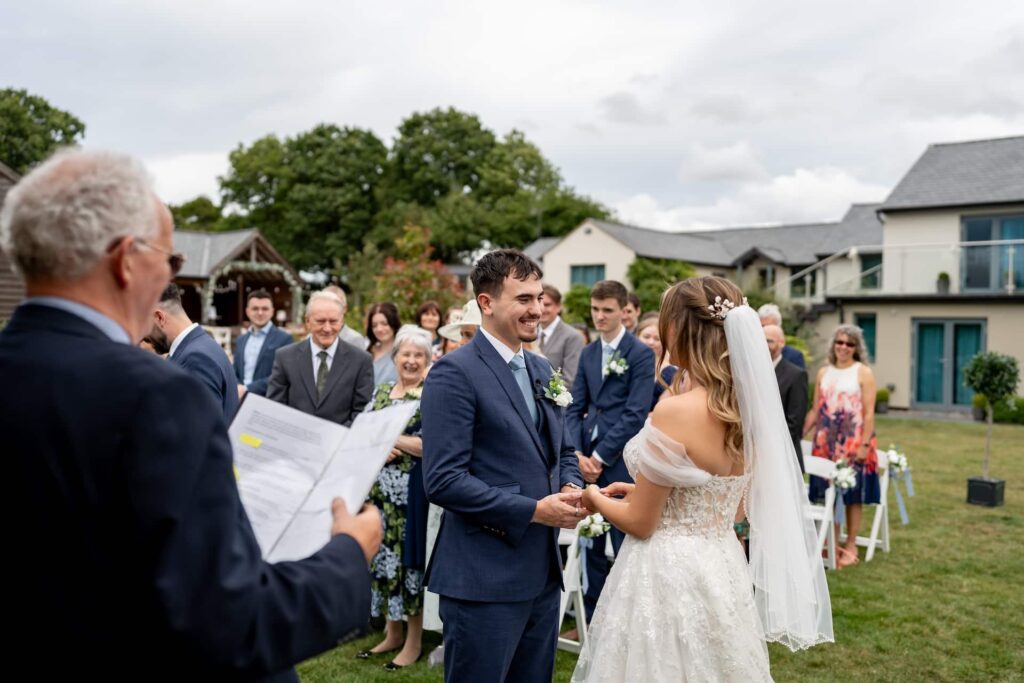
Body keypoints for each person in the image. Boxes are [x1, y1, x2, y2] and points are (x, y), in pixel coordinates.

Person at [0, 148, 382, 682]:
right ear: (126, 260)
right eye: (170, 259)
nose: (168, 276)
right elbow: (227, 623)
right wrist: (346, 556)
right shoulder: (156, 398)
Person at [573, 277, 833, 682]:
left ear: (680, 328)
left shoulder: (675, 411)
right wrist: (645, 491)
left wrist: (593, 496)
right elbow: (734, 508)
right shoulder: (751, 412)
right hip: (722, 565)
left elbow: (642, 524)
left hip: (665, 573)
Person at [421, 249, 585, 683]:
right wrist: (534, 510)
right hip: (483, 579)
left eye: (539, 298)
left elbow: (564, 451)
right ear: (486, 303)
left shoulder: (541, 367)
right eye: (524, 299)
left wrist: (570, 485)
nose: (537, 310)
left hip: (542, 577)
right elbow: (443, 480)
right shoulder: (454, 373)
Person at [565, 279, 654, 623]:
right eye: (595, 310)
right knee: (588, 540)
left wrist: (600, 458)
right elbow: (575, 408)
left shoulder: (641, 353)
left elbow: (635, 412)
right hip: (585, 456)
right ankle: (590, 620)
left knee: (622, 541)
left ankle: (629, 621)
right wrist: (577, 454)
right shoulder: (588, 353)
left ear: (623, 311)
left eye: (607, 310)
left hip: (619, 462)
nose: (599, 317)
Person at [358, 325, 434, 671]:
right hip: (380, 494)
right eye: (406, 354)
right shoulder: (383, 391)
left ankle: (414, 641)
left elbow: (428, 444)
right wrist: (380, 443)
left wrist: (391, 439)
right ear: (395, 358)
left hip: (411, 495)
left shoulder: (430, 395)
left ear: (428, 360)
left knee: (408, 562)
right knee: (384, 560)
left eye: (419, 355)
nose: (412, 361)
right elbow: (363, 431)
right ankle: (391, 632)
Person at [804, 324, 880, 568]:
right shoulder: (823, 372)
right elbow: (816, 409)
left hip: (854, 442)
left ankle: (851, 544)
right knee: (828, 492)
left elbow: (869, 414)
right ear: (833, 344)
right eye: (839, 342)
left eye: (849, 343)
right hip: (826, 443)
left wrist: (864, 445)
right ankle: (833, 541)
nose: (843, 347)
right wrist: (798, 435)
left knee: (852, 495)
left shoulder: (863, 372)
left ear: (856, 348)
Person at [267, 290, 374, 427]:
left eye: (333, 321)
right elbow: (275, 408)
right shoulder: (285, 357)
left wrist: (333, 438)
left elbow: (362, 412)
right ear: (308, 321)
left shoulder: (361, 360)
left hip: (339, 444)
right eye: (321, 321)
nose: (327, 328)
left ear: (342, 322)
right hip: (295, 442)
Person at [147, 282, 239, 420]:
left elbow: (202, 432)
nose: (144, 335)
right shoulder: (202, 346)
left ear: (160, 318)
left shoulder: (196, 358)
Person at [765, 324, 809, 473]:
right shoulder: (753, 372)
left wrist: (769, 447)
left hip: (785, 457)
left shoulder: (796, 375)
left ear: (782, 343)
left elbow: (795, 423)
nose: (764, 345)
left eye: (769, 341)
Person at [234, 289, 294, 397]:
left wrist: (247, 389)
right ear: (247, 311)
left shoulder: (285, 339)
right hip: (240, 398)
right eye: (255, 308)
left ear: (272, 311)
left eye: (265, 309)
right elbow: (234, 371)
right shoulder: (240, 340)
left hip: (267, 399)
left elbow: (283, 375)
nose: (260, 313)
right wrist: (237, 387)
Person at [538, 283, 585, 388]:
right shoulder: (528, 332)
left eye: (547, 304)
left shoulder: (572, 337)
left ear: (559, 307)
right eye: (539, 303)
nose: (542, 309)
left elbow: (570, 380)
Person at [758, 302, 805, 368]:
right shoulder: (752, 353)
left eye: (770, 326)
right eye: (762, 326)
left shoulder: (794, 356)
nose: (766, 330)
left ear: (779, 328)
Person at [324, 284, 368, 350]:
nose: (330, 309)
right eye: (325, 305)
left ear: (345, 308)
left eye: (336, 305)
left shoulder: (355, 340)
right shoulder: (311, 339)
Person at [367, 301, 401, 386]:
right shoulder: (368, 352)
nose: (379, 329)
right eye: (374, 325)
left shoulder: (402, 353)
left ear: (393, 323)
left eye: (384, 324)